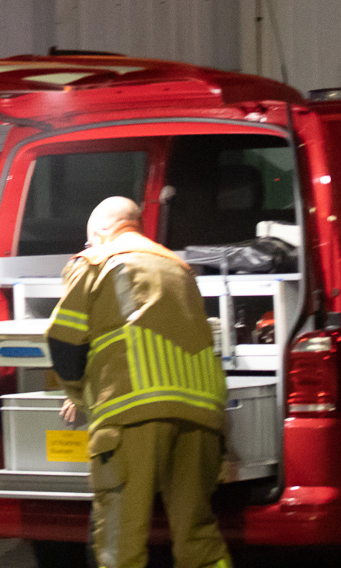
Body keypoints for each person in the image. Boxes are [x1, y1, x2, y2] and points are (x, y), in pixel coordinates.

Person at [46, 196, 231, 568]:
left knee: (120, 545)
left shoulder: (96, 260)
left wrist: (78, 394)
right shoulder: (178, 266)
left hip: (131, 413)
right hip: (202, 413)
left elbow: (64, 341)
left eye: (87, 241)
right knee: (198, 536)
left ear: (99, 231)